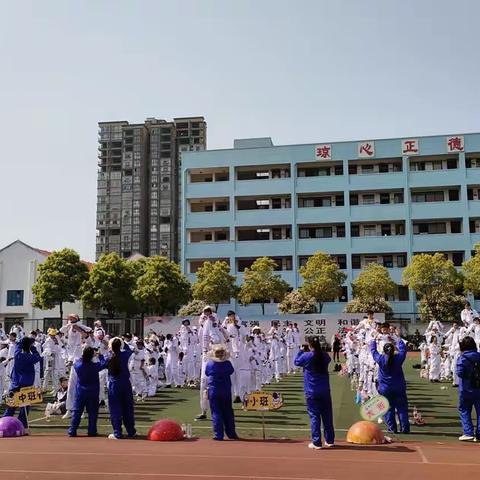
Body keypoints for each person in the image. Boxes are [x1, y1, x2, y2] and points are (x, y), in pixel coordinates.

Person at [294, 337, 334, 450]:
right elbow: (328, 359)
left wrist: (301, 350)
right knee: (327, 416)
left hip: (312, 391)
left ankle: (317, 442)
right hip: (325, 390)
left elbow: (296, 361)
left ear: (310, 346)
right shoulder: (324, 355)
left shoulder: (307, 356)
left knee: (314, 416)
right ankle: (329, 440)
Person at [370, 333, 410, 434]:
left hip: (385, 388)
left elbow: (373, 351)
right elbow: (403, 350)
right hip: (399, 387)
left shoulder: (381, 359)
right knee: (402, 408)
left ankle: (392, 428)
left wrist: (373, 340)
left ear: (383, 350)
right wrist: (397, 339)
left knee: (388, 409)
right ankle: (405, 428)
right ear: (393, 350)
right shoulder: (398, 358)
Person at [68, 346, 107, 437]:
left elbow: (77, 362)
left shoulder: (78, 365)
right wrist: (100, 355)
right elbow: (104, 363)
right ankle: (92, 431)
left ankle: (72, 430)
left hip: (81, 391)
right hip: (93, 391)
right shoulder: (95, 366)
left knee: (77, 412)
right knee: (93, 413)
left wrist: (85, 355)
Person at [3, 336, 41, 428]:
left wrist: (21, 342)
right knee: (24, 407)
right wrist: (32, 347)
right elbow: (38, 357)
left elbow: (17, 347)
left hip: (15, 383)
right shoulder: (31, 357)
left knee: (10, 405)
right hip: (26, 384)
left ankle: (4, 424)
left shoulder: (17, 355)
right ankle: (22, 425)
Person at [205, 344, 238, 441]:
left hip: (214, 390)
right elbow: (231, 371)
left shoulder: (210, 364)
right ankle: (231, 433)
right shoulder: (227, 364)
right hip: (226, 390)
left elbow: (207, 373)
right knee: (228, 412)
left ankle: (218, 434)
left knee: (216, 412)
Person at [106, 337, 137, 439]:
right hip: (125, 384)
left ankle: (117, 432)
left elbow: (101, 364)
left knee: (115, 409)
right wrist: (122, 341)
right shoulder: (125, 354)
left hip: (114, 385)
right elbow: (128, 349)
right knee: (128, 408)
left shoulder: (109, 356)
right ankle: (131, 431)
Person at [456, 336, 480, 441]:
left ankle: (468, 432)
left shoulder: (462, 358)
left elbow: (460, 372)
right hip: (478, 387)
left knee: (464, 409)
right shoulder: (479, 356)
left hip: (466, 388)